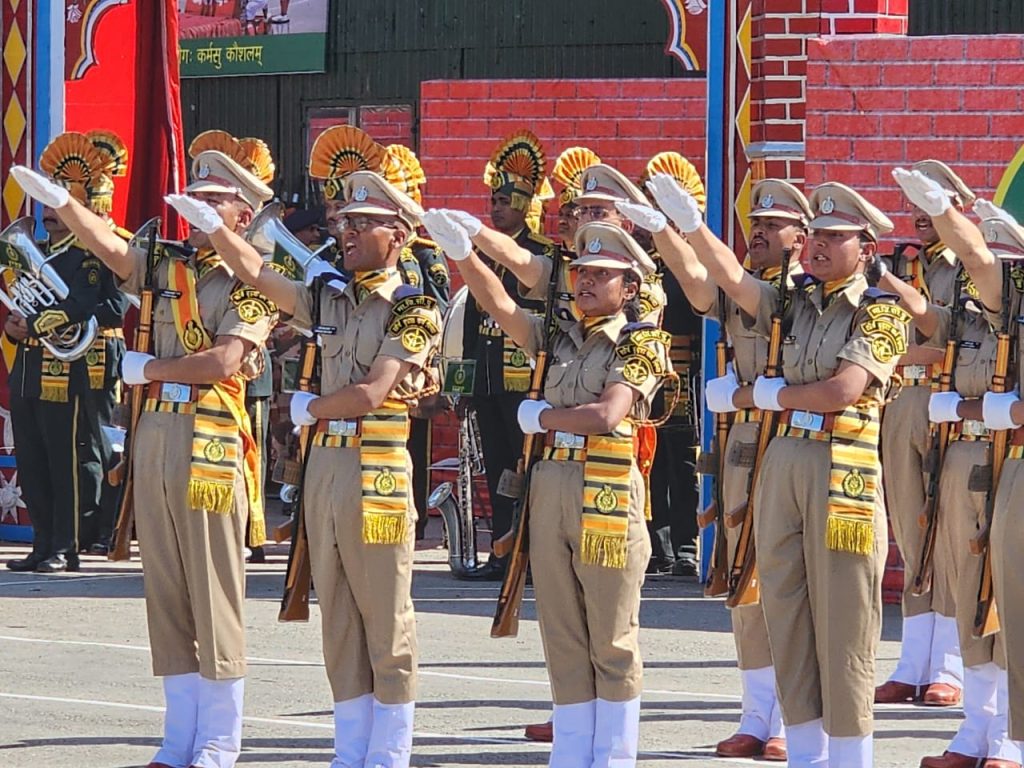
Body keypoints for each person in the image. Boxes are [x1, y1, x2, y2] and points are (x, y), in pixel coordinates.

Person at [11, 133, 278, 768]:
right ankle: (178, 735)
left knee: (213, 594)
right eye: (196, 196)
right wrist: (67, 206)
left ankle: (220, 738)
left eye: (214, 200)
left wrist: (149, 367)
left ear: (243, 214)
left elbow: (224, 360)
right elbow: (114, 252)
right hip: (156, 435)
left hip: (210, 441)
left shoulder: (257, 278)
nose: (198, 207)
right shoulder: (169, 264)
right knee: (165, 593)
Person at [167, 167, 442, 768]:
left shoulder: (413, 308)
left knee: (385, 615)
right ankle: (350, 749)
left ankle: (389, 750)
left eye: (364, 223)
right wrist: (219, 230)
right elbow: (256, 274)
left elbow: (374, 391)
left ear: (398, 235)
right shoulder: (328, 295)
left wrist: (309, 407)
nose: (348, 231)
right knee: (337, 613)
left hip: (376, 469)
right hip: (325, 468)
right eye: (346, 221)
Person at [655, 177, 909, 765]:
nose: (819, 244)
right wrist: (687, 226)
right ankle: (803, 751)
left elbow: (842, 390)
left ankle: (849, 756)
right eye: (816, 234)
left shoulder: (880, 312)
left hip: (839, 468)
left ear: (866, 249)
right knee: (785, 613)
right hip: (785, 459)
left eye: (834, 236)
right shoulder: (793, 302)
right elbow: (733, 282)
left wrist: (759, 396)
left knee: (843, 625)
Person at [424, 208, 669, 768]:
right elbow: (501, 307)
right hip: (552, 485)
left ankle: (614, 756)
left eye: (601, 274)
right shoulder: (557, 338)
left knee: (611, 636)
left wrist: (544, 418)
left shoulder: (639, 344)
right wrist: (464, 255)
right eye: (581, 271)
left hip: (605, 490)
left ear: (630, 287)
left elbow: (608, 414)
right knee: (561, 631)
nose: (586, 281)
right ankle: (572, 751)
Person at [620, 175, 811, 760]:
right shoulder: (745, 282)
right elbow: (701, 286)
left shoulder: (802, 293)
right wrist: (663, 233)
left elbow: (730, 279)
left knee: (788, 587)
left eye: (773, 225)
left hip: (790, 437)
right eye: (756, 224)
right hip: (743, 445)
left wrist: (691, 226)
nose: (760, 232)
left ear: (801, 238)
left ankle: (794, 715)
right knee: (745, 583)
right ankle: (756, 713)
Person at [893, 164, 1024, 768]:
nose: (986, 273)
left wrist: (971, 406)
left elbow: (974, 257)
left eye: (1001, 261)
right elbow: (926, 320)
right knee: (970, 591)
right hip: (964, 460)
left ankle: (1012, 736)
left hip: (1010, 459)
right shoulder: (971, 318)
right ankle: (976, 728)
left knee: (1012, 599)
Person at [3, 132, 125, 574]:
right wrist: (14, 327)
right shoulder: (37, 253)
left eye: (59, 205)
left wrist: (39, 322)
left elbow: (95, 306)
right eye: (47, 205)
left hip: (65, 369)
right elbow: (22, 303)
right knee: (32, 460)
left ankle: (66, 545)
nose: (49, 213)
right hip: (28, 367)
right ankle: (41, 543)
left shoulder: (88, 255)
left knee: (64, 461)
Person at [875, 159, 972, 708]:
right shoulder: (904, 262)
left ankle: (951, 666)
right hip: (902, 401)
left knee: (949, 535)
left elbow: (949, 343)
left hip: (945, 402)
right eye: (913, 203)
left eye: (930, 203)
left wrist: (893, 354)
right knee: (911, 536)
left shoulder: (971, 269)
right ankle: (913, 664)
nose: (918, 215)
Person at [457, 129, 556, 581]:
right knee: (496, 467)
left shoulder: (540, 253)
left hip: (524, 380)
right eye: (492, 201)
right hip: (488, 378)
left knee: (525, 464)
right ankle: (500, 550)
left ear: (524, 204)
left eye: (504, 201)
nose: (495, 208)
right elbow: (470, 324)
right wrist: (464, 385)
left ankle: (530, 552)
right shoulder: (480, 253)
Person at [381, 143, 451, 538]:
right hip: (373, 356)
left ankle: (416, 518)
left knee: (413, 445)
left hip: (413, 361)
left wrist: (434, 369)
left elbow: (438, 310)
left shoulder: (425, 255)